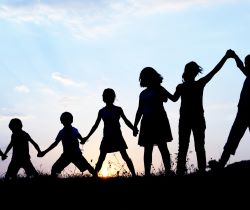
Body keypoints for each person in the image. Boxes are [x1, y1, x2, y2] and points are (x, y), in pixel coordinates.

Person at [170, 50, 232, 175]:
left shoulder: (184, 86)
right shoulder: (192, 85)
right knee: (195, 147)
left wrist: (225, 57)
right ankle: (198, 171)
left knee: (186, 147)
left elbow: (172, 99)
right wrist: (225, 57)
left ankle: (184, 171)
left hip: (190, 120)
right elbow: (214, 71)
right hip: (193, 119)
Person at [82, 88, 136, 177]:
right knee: (101, 158)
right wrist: (86, 137)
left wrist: (133, 128)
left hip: (117, 137)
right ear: (104, 98)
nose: (107, 98)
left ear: (113, 97)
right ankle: (95, 176)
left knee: (125, 156)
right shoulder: (102, 111)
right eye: (105, 96)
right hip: (107, 137)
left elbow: (126, 121)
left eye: (108, 96)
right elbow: (95, 126)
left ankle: (134, 175)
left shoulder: (118, 109)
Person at [210, 50, 250, 169]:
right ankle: (222, 163)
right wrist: (235, 57)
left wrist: (234, 56)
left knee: (233, 137)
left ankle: (222, 163)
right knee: (233, 137)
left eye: (247, 63)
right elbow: (241, 66)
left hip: (245, 112)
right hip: (243, 112)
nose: (246, 65)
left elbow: (241, 66)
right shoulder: (248, 76)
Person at [133, 67, 173, 177]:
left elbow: (169, 98)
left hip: (159, 121)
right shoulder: (143, 93)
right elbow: (139, 110)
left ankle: (168, 172)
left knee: (162, 147)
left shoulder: (159, 89)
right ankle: (147, 174)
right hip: (146, 122)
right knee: (148, 149)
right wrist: (135, 125)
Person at [38, 112, 96, 177]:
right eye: (64, 120)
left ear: (71, 121)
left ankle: (96, 178)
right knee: (54, 169)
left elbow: (80, 138)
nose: (65, 122)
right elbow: (55, 143)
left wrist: (83, 140)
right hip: (67, 155)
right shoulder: (62, 132)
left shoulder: (74, 130)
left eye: (66, 120)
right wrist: (45, 152)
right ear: (62, 122)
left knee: (89, 167)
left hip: (76, 155)